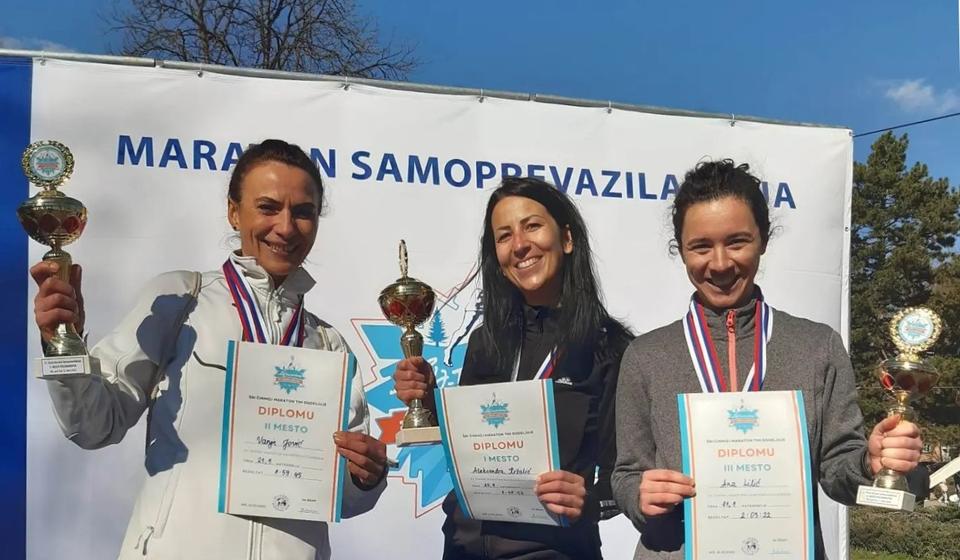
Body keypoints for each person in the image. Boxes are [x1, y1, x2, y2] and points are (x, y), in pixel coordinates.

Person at [31, 139, 387, 559]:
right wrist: (62, 343)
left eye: (303, 212)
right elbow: (94, 425)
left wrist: (365, 477)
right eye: (268, 207)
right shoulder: (182, 299)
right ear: (234, 211)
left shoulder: (329, 344)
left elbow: (341, 496)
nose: (286, 227)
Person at [611, 159, 923, 559]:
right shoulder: (645, 356)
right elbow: (625, 473)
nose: (720, 263)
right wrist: (640, 495)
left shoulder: (817, 346)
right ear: (680, 250)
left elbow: (837, 471)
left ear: (763, 240)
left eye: (737, 241)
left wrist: (869, 462)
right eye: (701, 246)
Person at [394, 177, 632, 559]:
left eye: (532, 226)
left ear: (567, 239)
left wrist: (586, 501)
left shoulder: (610, 348)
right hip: (465, 546)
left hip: (555, 549)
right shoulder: (484, 344)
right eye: (504, 236)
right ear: (498, 260)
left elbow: (624, 479)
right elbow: (477, 449)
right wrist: (431, 400)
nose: (519, 245)